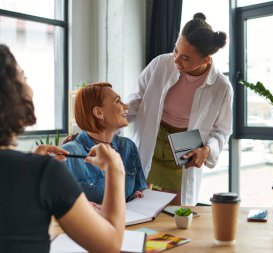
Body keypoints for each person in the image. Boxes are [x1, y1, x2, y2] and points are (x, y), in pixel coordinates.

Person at [0, 44, 125, 252]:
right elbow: (110, 245)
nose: (30, 87)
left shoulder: (38, 172)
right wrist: (116, 168)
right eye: (24, 78)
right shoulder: (44, 172)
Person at [126, 13, 233, 205]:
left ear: (206, 60)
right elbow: (134, 102)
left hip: (184, 149)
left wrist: (207, 150)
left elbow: (222, 130)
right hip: (152, 136)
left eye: (185, 58)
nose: (176, 61)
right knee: (138, 207)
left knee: (175, 215)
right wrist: (102, 127)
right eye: (175, 51)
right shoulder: (160, 63)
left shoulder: (221, 87)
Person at [62, 82, 147, 204]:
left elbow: (139, 190)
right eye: (118, 101)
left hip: (128, 222)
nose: (125, 106)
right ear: (99, 113)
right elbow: (57, 202)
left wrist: (136, 197)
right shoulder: (69, 154)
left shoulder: (128, 147)